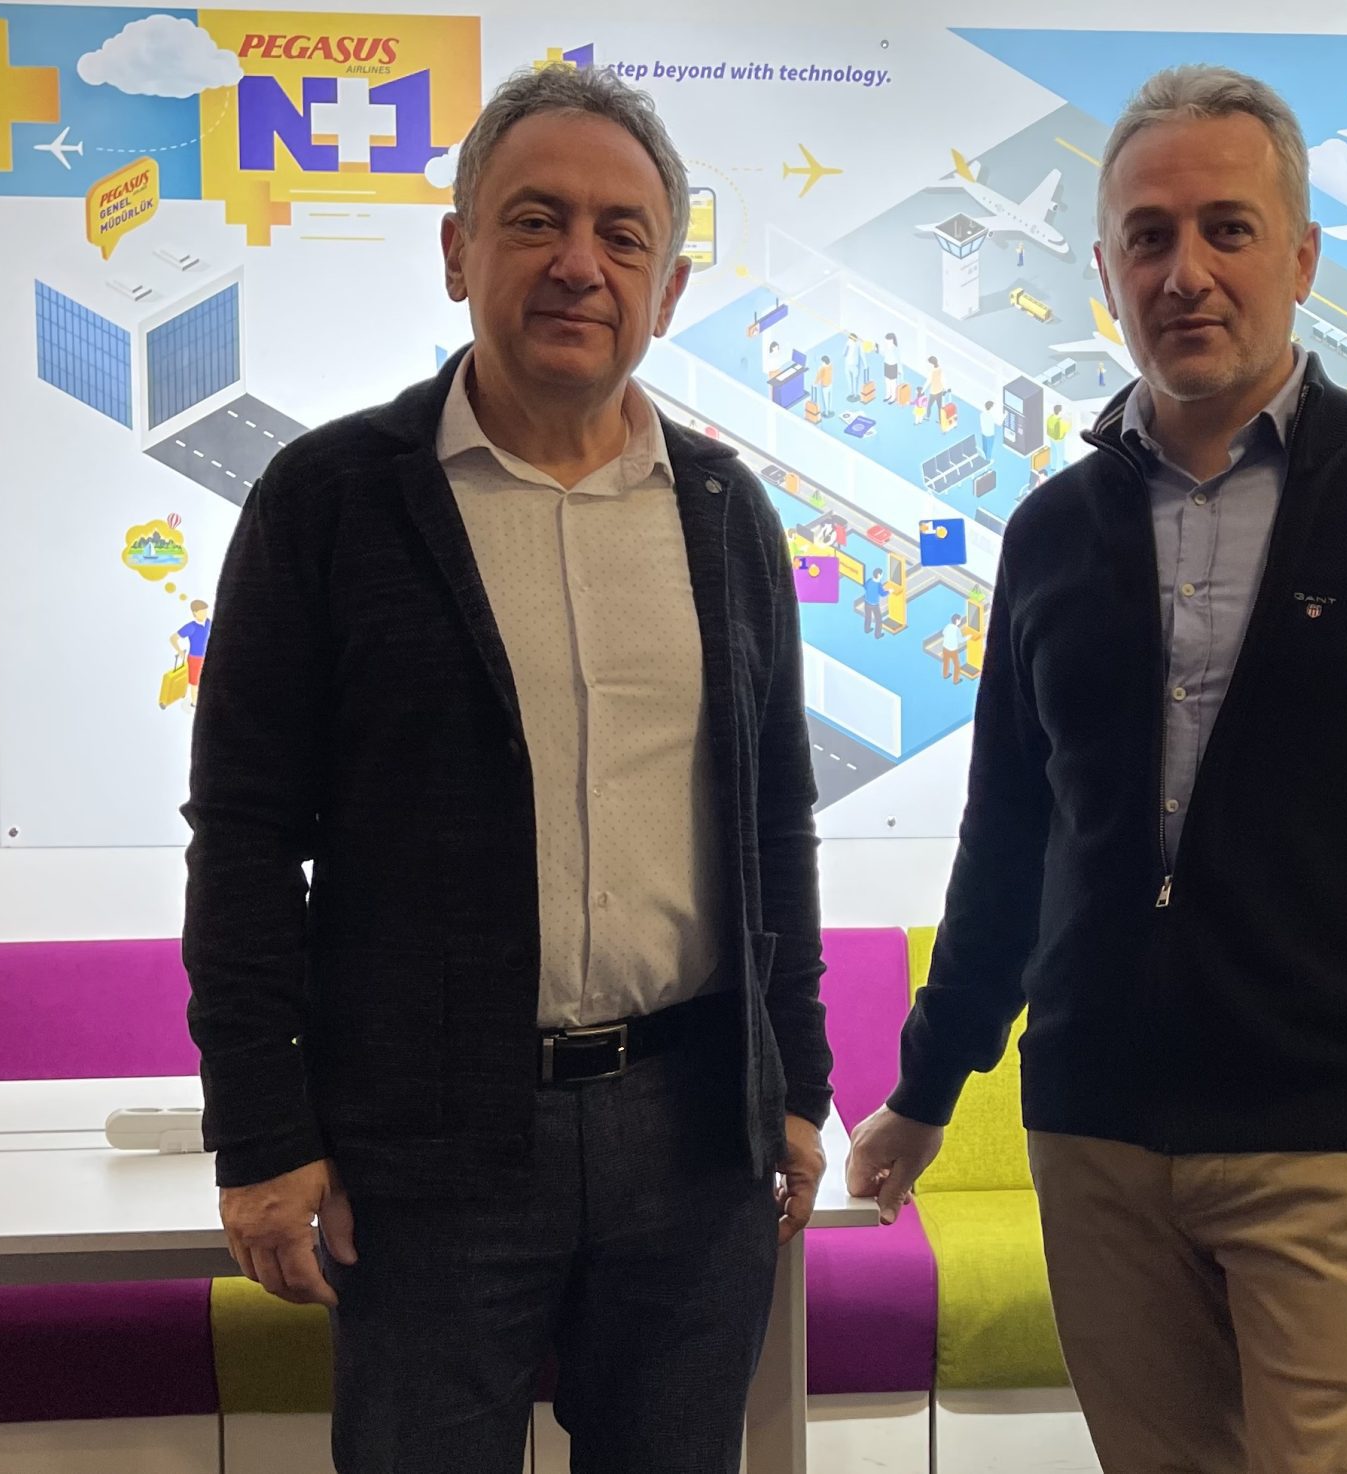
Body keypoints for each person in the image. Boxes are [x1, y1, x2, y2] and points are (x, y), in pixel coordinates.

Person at [848, 63, 1347, 1474]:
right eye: (1148, 237)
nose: (1187, 272)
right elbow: (1010, 842)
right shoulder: (1050, 532)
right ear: (1106, 272)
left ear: (1301, 258)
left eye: (1228, 229)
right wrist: (927, 1088)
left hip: (1339, 1154)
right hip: (1097, 1141)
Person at [184, 65, 831, 1474]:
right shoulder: (330, 500)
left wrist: (798, 1080)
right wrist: (262, 1130)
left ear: (667, 290)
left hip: (692, 1136)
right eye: (536, 220)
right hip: (425, 1146)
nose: (578, 264)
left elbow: (774, 819)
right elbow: (243, 834)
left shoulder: (728, 513)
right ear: (457, 249)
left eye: (621, 234)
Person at [170, 599, 212, 710]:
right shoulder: (191, 627)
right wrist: (179, 651)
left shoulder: (208, 622)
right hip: (195, 659)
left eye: (206, 611)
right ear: (195, 613)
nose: (205, 614)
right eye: (202, 612)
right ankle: (194, 704)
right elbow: (173, 638)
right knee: (195, 683)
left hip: (208, 657)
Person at [862, 565, 888, 638]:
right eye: (882, 574)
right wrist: (889, 591)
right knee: (878, 620)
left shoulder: (870, 580)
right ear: (878, 575)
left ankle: (867, 630)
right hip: (874, 605)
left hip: (867, 602)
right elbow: (882, 594)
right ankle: (877, 635)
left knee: (868, 617)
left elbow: (865, 586)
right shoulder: (878, 585)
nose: (882, 576)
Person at [939, 613, 967, 683]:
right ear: (957, 620)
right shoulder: (957, 629)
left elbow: (943, 633)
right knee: (956, 665)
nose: (960, 621)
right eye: (960, 620)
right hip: (953, 650)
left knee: (946, 662)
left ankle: (945, 675)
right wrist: (968, 637)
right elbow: (961, 640)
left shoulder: (948, 626)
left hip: (945, 647)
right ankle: (956, 680)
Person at [1044, 402, 1070, 474]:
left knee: (1053, 452)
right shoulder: (1060, 421)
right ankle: (1059, 471)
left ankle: (1053, 467)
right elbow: (1066, 428)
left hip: (1051, 436)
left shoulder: (1050, 417)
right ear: (1060, 411)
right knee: (1060, 455)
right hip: (1059, 439)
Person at [924, 355, 948, 421]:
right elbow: (943, 380)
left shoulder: (932, 371)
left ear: (931, 364)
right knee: (939, 406)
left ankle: (927, 417)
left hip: (933, 391)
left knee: (929, 405)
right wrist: (946, 389)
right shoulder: (940, 369)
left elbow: (928, 381)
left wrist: (923, 390)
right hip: (940, 390)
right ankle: (940, 419)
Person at [844, 330, 865, 402]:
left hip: (849, 365)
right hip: (853, 365)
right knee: (854, 380)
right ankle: (854, 394)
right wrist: (865, 364)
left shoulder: (849, 343)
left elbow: (844, 353)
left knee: (851, 380)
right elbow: (862, 354)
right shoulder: (857, 343)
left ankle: (852, 393)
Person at [881, 331, 901, 403]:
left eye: (887, 340)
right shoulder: (886, 347)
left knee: (893, 383)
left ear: (891, 340)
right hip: (886, 365)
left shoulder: (895, 348)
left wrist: (899, 370)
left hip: (893, 366)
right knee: (887, 381)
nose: (885, 341)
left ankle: (893, 396)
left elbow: (898, 360)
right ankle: (888, 395)